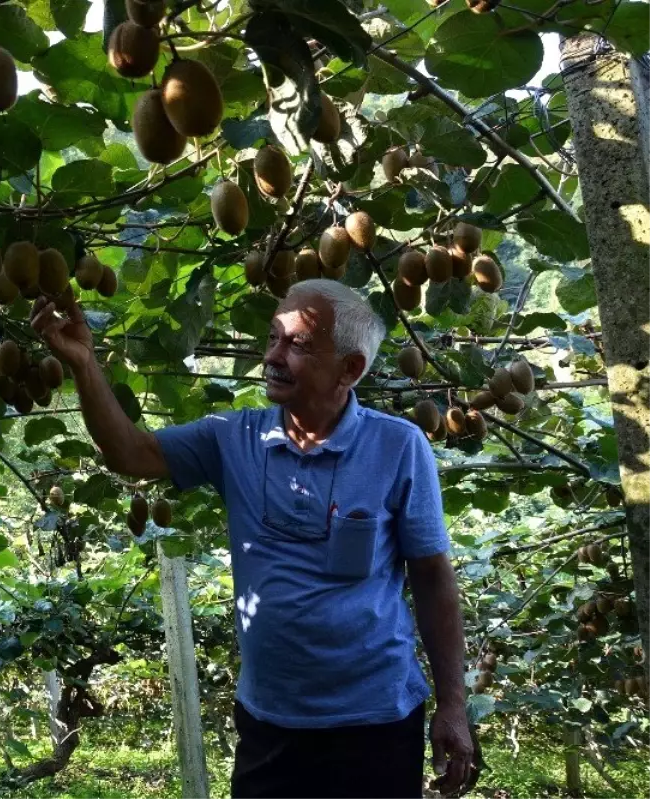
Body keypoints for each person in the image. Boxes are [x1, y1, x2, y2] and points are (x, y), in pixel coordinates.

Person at [31, 278, 474, 798]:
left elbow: (431, 576)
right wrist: (84, 364)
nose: (274, 356)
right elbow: (131, 453)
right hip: (270, 721)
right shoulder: (234, 437)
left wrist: (453, 705)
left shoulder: (398, 445)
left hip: (375, 720)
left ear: (350, 369)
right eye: (272, 338)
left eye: (298, 345)